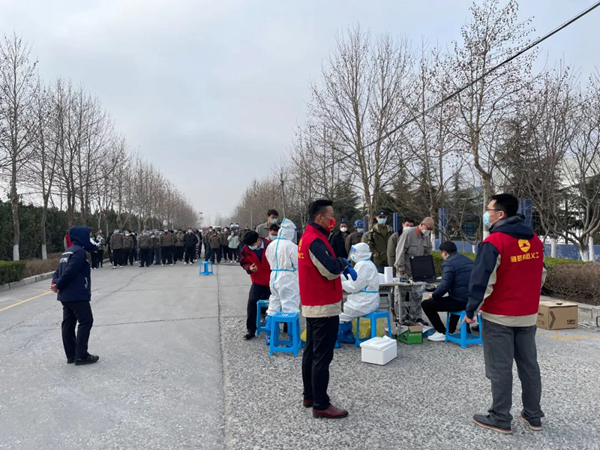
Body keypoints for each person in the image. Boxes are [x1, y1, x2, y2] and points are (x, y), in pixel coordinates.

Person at [465, 193, 546, 434]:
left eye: (488, 210)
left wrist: (471, 310)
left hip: (499, 316)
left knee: (500, 368)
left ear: (500, 214)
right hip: (527, 315)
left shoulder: (494, 242)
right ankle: (533, 416)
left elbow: (482, 281)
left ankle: (500, 417)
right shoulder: (535, 240)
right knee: (529, 365)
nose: (486, 215)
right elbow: (541, 275)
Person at [299, 199, 356, 420]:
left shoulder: (309, 237)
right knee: (322, 357)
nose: (333, 219)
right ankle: (321, 404)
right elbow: (330, 270)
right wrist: (342, 263)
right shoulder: (315, 240)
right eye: (330, 215)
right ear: (320, 217)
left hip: (313, 304)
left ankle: (310, 396)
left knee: (311, 353)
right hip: (323, 306)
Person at [51, 226, 99, 366]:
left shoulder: (68, 251)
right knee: (86, 321)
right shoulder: (79, 252)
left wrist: (55, 283)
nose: (89, 238)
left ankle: (71, 355)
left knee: (69, 323)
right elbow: (70, 272)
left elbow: (58, 271)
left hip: (66, 294)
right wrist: (58, 284)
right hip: (76, 293)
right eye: (88, 235)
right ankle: (81, 355)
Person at [421, 241, 474, 342]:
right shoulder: (468, 260)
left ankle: (441, 332)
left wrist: (434, 295)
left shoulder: (448, 263)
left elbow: (444, 286)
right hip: (472, 300)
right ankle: (451, 330)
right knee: (453, 297)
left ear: (444, 253)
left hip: (460, 301)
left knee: (426, 304)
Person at [239, 231, 272, 340]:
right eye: (249, 246)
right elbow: (243, 262)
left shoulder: (270, 245)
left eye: (253, 245)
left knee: (280, 302)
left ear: (259, 240)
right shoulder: (245, 249)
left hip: (273, 280)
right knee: (252, 302)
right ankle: (251, 330)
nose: (251, 247)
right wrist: (249, 268)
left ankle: (283, 327)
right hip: (258, 280)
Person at [265, 219, 300, 318]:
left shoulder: (271, 245)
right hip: (287, 278)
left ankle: (270, 330)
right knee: (290, 304)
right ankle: (291, 331)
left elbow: (268, 258)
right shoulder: (292, 246)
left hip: (274, 276)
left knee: (274, 303)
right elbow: (298, 263)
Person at [339, 243, 380, 323]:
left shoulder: (364, 265)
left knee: (339, 314)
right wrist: (340, 277)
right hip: (364, 300)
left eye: (354, 252)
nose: (352, 255)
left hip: (364, 302)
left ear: (360, 253)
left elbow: (354, 286)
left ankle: (344, 334)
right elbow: (354, 278)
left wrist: (341, 284)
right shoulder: (367, 263)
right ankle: (347, 334)